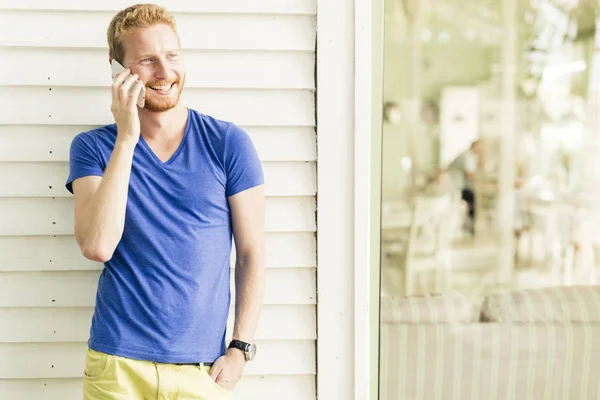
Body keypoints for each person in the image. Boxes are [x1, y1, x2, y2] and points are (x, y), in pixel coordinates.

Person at [65, 4, 265, 399]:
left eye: (172, 55)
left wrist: (240, 348)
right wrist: (127, 138)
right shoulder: (92, 148)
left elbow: (251, 253)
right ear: (117, 68)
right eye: (147, 60)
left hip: (203, 370)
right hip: (117, 364)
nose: (164, 72)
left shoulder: (228, 144)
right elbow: (97, 245)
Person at [446, 139, 484, 234]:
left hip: (457, 186)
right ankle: (470, 224)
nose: (482, 149)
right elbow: (470, 175)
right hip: (454, 187)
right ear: (474, 146)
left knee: (473, 196)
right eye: (480, 147)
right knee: (474, 198)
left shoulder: (471, 157)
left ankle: (470, 223)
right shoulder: (467, 156)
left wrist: (481, 159)